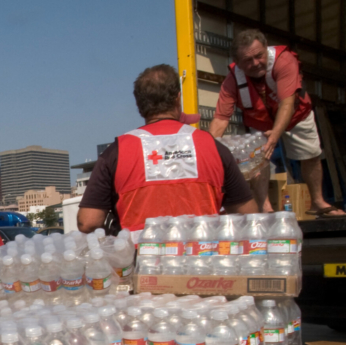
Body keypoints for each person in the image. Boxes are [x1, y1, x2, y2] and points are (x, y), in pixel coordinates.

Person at [77, 64, 257, 234]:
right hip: (202, 259)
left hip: (141, 262)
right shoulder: (212, 146)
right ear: (177, 98)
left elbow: (88, 221)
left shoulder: (117, 152)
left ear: (139, 106)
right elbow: (248, 214)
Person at [209, 29, 345, 217]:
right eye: (248, 60)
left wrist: (275, 135)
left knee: (310, 153)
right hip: (261, 120)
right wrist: (207, 149)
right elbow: (221, 118)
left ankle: (318, 202)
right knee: (256, 160)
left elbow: (287, 103)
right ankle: (265, 208)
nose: (256, 63)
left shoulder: (284, 60)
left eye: (259, 56)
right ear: (238, 63)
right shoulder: (232, 79)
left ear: (266, 49)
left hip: (295, 114)